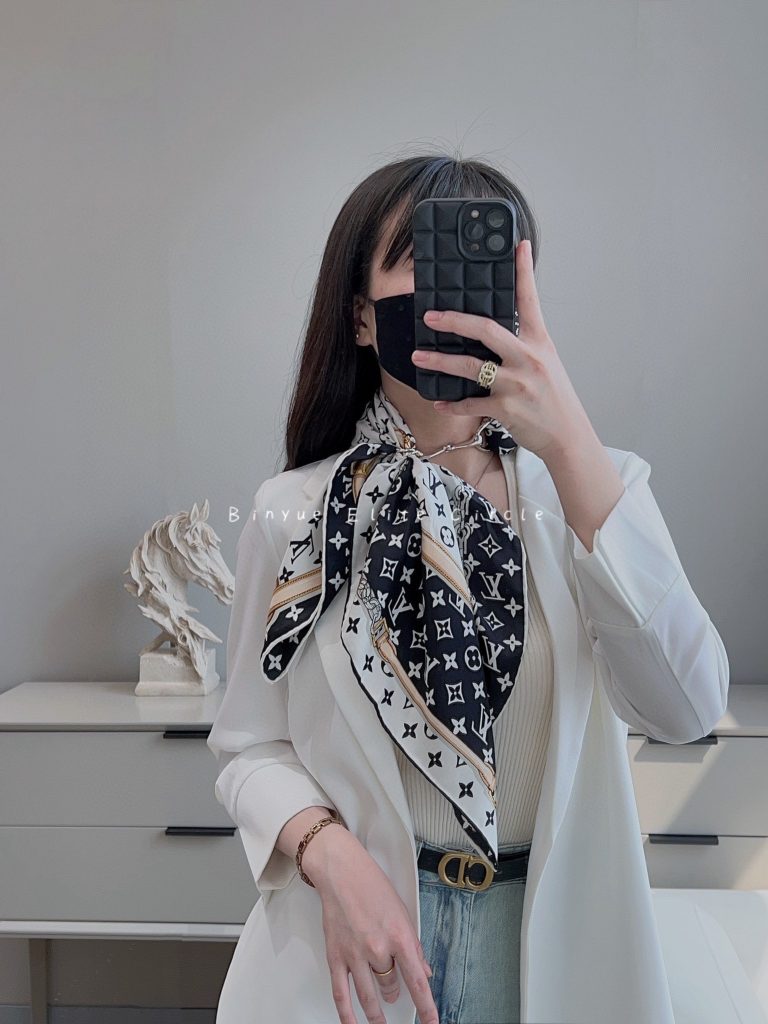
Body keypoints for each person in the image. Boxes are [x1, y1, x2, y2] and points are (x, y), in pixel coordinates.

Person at [207, 154, 730, 1024]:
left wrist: (571, 442)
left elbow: (686, 708)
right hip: (358, 944)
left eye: (487, 263)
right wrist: (329, 854)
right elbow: (248, 745)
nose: (457, 296)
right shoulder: (294, 512)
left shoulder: (593, 492)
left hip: (546, 944)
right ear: (362, 317)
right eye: (423, 261)